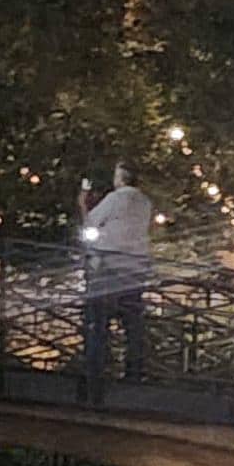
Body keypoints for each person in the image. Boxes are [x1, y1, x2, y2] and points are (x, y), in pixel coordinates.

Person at [79, 161, 154, 385]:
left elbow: (91, 221)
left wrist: (83, 203)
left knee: (98, 320)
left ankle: (96, 371)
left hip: (110, 265)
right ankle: (134, 372)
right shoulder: (145, 202)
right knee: (132, 324)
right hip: (135, 268)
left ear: (121, 178)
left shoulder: (116, 198)